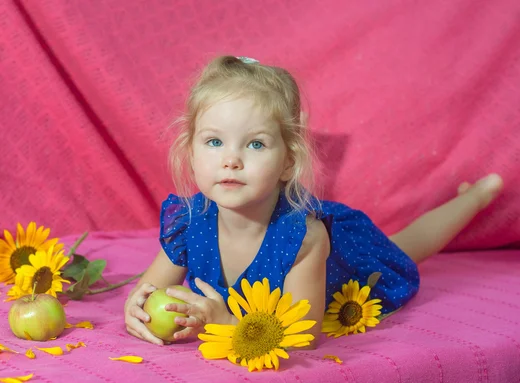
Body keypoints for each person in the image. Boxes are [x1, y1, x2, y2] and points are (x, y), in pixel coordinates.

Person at [123, 55, 503, 347]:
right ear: (190, 153)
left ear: (288, 161)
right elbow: (150, 291)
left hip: (347, 268)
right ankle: (473, 195)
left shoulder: (304, 237)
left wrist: (226, 323)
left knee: (406, 247)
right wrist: (136, 310)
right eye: (214, 141)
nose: (231, 159)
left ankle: (477, 196)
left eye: (255, 143)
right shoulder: (189, 221)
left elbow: (304, 333)